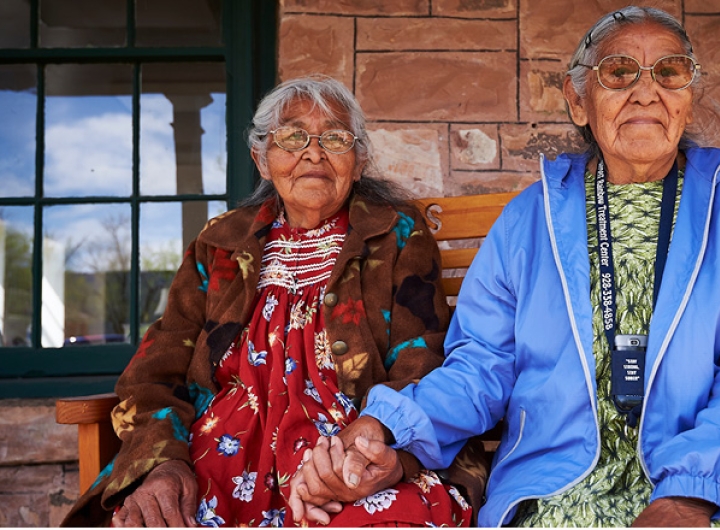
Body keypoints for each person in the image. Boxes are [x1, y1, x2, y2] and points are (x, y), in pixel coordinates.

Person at [287, 7, 720, 528]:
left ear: (688, 99)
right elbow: (481, 365)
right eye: (620, 71)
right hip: (559, 486)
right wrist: (387, 424)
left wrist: (689, 493)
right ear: (579, 102)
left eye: (669, 72)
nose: (646, 89)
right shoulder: (531, 218)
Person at [61, 75, 485, 527]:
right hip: (219, 453)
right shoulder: (220, 241)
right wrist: (163, 462)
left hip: (347, 450)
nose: (314, 152)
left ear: (358, 162)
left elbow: (420, 360)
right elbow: (153, 372)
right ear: (262, 159)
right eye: (292, 136)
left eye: (336, 138)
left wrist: (371, 451)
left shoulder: (395, 232)